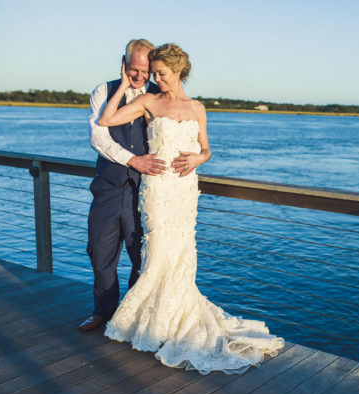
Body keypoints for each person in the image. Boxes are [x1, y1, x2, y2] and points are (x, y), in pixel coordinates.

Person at [98, 43, 284, 374]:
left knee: (181, 252)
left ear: (180, 71)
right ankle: (152, 323)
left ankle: (173, 319)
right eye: (153, 73)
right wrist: (125, 84)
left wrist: (199, 157)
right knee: (157, 252)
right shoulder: (148, 101)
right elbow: (107, 119)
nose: (155, 78)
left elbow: (207, 149)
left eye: (161, 73)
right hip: (157, 189)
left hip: (184, 190)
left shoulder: (197, 107)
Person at [79, 39, 164, 332]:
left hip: (143, 192)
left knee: (142, 255)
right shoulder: (103, 91)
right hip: (108, 188)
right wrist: (133, 160)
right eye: (134, 69)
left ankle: (130, 314)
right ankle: (103, 311)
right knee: (100, 252)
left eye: (145, 71)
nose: (139, 77)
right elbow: (98, 138)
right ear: (124, 62)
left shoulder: (158, 95)